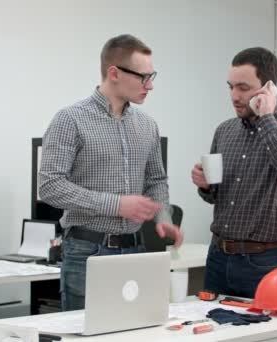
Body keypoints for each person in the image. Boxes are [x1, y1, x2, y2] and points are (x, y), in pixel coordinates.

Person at [39, 34, 183, 311]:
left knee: (134, 331)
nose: (150, 85)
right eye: (144, 77)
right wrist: (117, 205)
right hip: (86, 251)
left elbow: (156, 180)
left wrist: (162, 217)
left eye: (152, 76)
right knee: (84, 334)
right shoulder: (70, 119)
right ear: (114, 73)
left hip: (135, 249)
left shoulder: (147, 125)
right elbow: (50, 185)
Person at [191, 47, 277, 299]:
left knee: (265, 336)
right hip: (218, 257)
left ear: (268, 88)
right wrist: (206, 186)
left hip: (267, 261)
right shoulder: (225, 131)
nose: (234, 96)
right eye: (230, 87)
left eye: (243, 88)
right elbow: (218, 197)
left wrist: (266, 118)